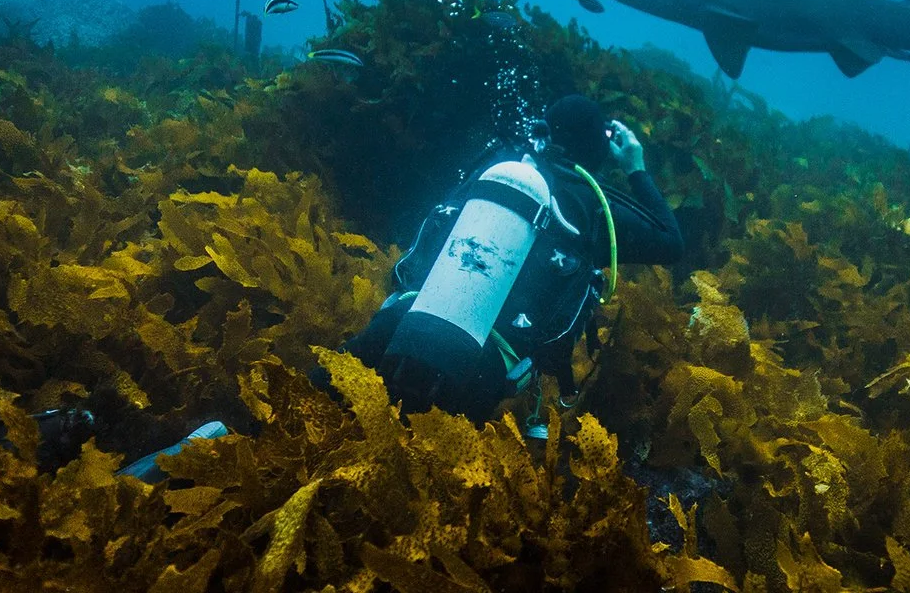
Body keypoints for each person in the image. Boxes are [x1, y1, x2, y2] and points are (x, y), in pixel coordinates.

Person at [117, 94, 681, 478]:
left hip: (400, 320)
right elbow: (670, 241)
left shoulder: (497, 169)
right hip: (483, 361)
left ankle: (193, 449)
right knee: (405, 487)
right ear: (597, 146)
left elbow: (426, 241)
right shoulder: (592, 202)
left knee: (285, 420)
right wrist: (634, 165)